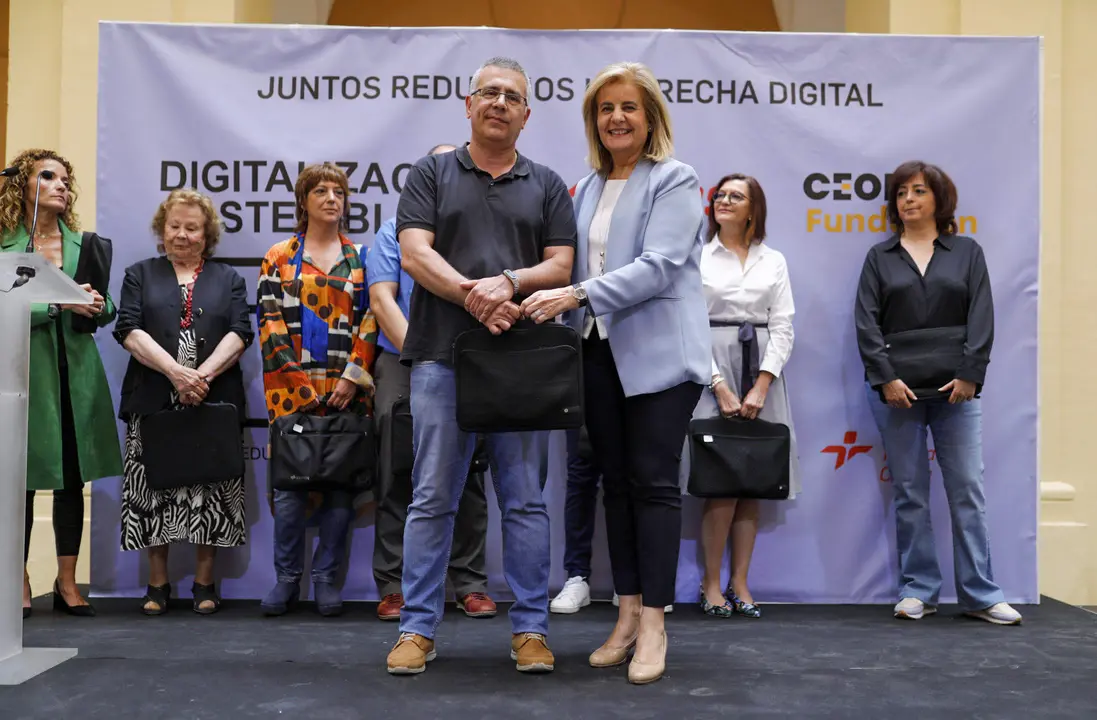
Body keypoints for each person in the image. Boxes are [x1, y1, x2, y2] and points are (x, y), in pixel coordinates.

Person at [385, 56, 576, 676]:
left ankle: (530, 631)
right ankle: (417, 628)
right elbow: (414, 255)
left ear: (526, 114)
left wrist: (507, 283)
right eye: (488, 92)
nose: (499, 102)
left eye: (512, 96)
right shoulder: (431, 173)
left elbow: (560, 266)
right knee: (432, 496)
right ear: (468, 105)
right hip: (442, 357)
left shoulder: (547, 184)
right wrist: (475, 296)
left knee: (524, 502)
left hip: (523, 364)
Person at [521, 61, 709, 685]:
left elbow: (659, 266)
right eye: (605, 109)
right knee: (617, 486)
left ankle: (655, 624)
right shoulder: (586, 187)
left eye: (629, 107)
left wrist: (575, 295)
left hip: (660, 361)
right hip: (597, 355)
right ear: (593, 122)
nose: (616, 118)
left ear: (650, 116)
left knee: (654, 485)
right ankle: (626, 615)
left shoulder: (675, 179)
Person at [855, 160, 1021, 626]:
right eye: (902, 192)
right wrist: (886, 378)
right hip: (896, 393)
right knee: (910, 492)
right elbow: (867, 324)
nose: (908, 199)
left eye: (919, 191)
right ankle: (918, 590)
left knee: (967, 489)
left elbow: (982, 318)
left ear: (939, 199)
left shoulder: (967, 252)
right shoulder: (879, 257)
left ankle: (981, 594)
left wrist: (970, 374)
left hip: (957, 394)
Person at [367, 143, 497, 622]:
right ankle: (395, 585)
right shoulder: (391, 232)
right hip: (407, 360)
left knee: (472, 476)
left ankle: (469, 582)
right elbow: (383, 301)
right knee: (401, 473)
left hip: (477, 362)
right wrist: (423, 359)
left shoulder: (479, 229)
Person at [114, 189, 252, 615]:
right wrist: (175, 373)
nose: (181, 235)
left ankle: (205, 582)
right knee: (152, 491)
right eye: (174, 226)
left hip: (212, 399)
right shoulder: (140, 274)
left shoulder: (229, 278)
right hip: (154, 396)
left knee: (209, 491)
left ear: (206, 234)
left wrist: (201, 376)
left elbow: (240, 332)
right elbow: (128, 330)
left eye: (192, 228)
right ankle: (158, 584)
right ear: (161, 229)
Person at [0, 148, 122, 618]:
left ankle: (67, 581)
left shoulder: (84, 244)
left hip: (77, 374)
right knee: (21, 482)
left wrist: (94, 303)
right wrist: (55, 305)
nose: (60, 185)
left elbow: (106, 306)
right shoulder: (6, 244)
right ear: (22, 185)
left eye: (65, 179)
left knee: (72, 479)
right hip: (23, 373)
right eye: (47, 176)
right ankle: (19, 579)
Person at [257, 162, 377, 618]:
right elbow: (269, 325)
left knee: (340, 492)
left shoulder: (360, 258)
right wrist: (301, 388)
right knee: (289, 495)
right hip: (292, 394)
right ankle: (287, 580)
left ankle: (327, 579)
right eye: (321, 191)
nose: (331, 198)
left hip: (348, 390)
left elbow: (372, 319)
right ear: (303, 201)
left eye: (339, 192)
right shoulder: (279, 256)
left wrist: (352, 377)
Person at [691, 174, 799, 619]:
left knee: (753, 479)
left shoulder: (773, 260)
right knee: (721, 483)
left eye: (736, 196)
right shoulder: (697, 257)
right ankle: (711, 584)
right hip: (708, 371)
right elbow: (690, 323)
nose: (724, 201)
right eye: (720, 195)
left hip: (762, 374)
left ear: (754, 209)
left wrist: (762, 383)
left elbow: (783, 324)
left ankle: (741, 581)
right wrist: (719, 384)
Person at [548, 426, 601, 613]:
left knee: (625, 476)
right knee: (581, 474)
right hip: (584, 400)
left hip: (634, 399)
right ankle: (578, 575)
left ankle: (629, 584)